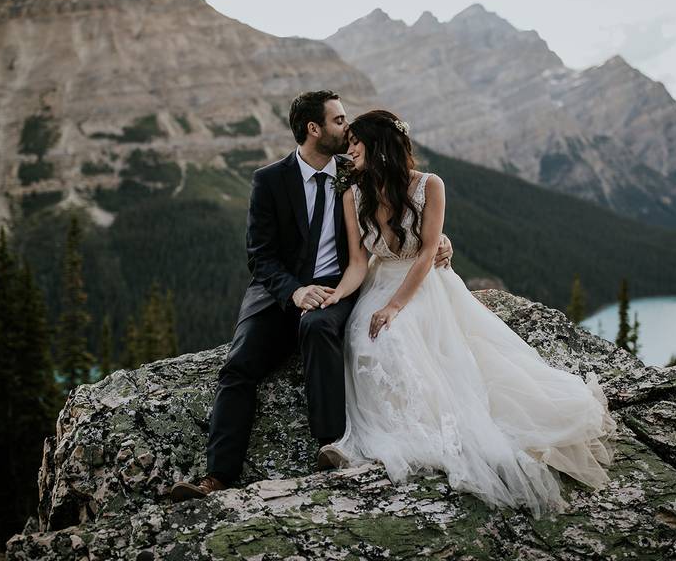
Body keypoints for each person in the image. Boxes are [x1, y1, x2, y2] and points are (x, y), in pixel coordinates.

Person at [316, 109, 618, 519]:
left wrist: (394, 306)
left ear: (379, 144)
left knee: (397, 334)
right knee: (361, 338)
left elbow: (427, 251)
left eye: (356, 143)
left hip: (423, 284)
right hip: (379, 279)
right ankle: (378, 434)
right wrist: (336, 296)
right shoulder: (354, 194)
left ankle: (422, 433)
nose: (349, 151)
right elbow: (357, 262)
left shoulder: (429, 186)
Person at [170, 92, 453, 501]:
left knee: (320, 330)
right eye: (339, 121)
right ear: (313, 129)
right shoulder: (269, 180)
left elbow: (403, 208)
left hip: (339, 286)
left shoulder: (355, 172)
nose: (348, 128)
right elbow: (260, 257)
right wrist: (295, 291)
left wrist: (443, 242)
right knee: (239, 365)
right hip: (280, 292)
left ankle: (330, 446)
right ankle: (216, 477)